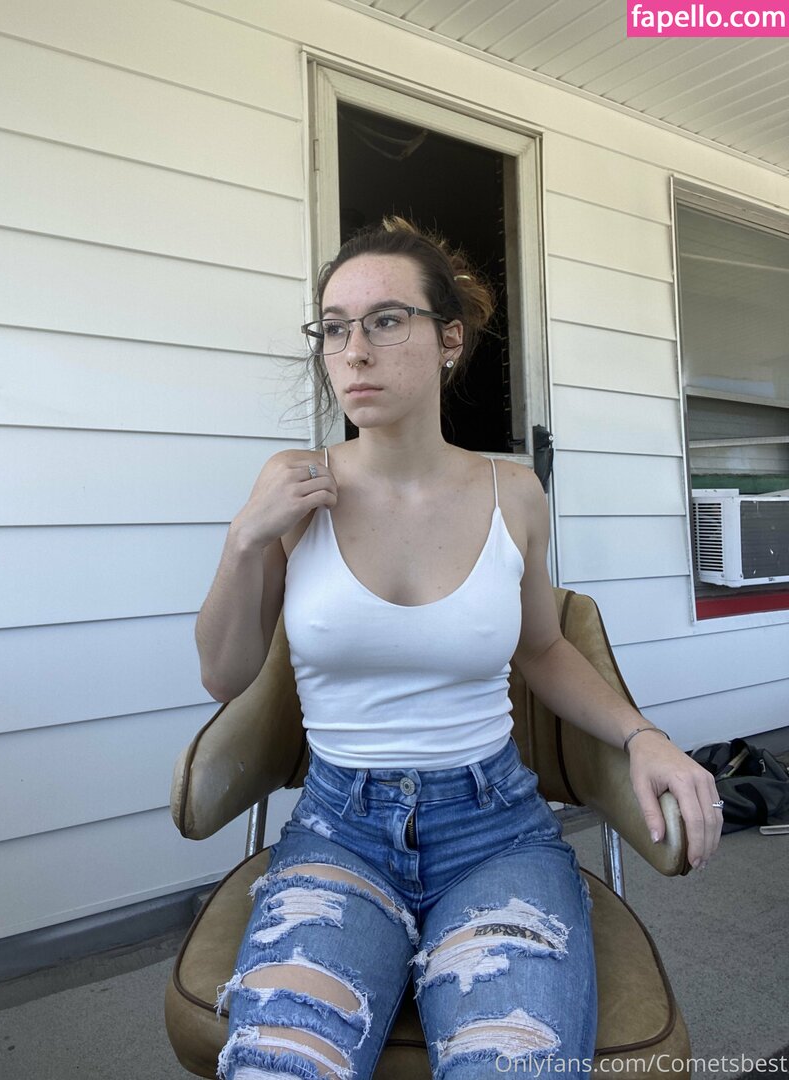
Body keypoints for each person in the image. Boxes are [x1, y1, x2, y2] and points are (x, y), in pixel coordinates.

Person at [195, 218, 722, 1080]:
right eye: (334, 327)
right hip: (337, 830)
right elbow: (224, 674)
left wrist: (642, 735)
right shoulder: (294, 484)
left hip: (495, 831)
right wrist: (244, 540)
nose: (353, 351)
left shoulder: (513, 492)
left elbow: (543, 648)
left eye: (385, 320)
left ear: (449, 339)